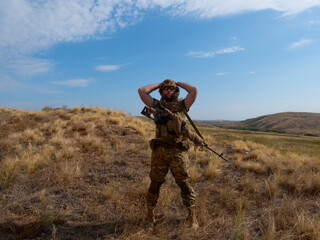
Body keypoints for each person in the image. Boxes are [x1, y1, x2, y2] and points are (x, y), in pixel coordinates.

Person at [138, 79, 202, 230]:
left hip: (178, 151)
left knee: (184, 183)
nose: (169, 91)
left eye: (171, 89)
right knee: (155, 183)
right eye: (166, 89)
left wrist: (178, 82)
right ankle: (150, 215)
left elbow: (194, 90)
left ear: (176, 91)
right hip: (159, 152)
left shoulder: (182, 105)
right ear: (161, 91)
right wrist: (159, 84)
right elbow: (141, 91)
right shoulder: (156, 105)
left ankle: (192, 216)